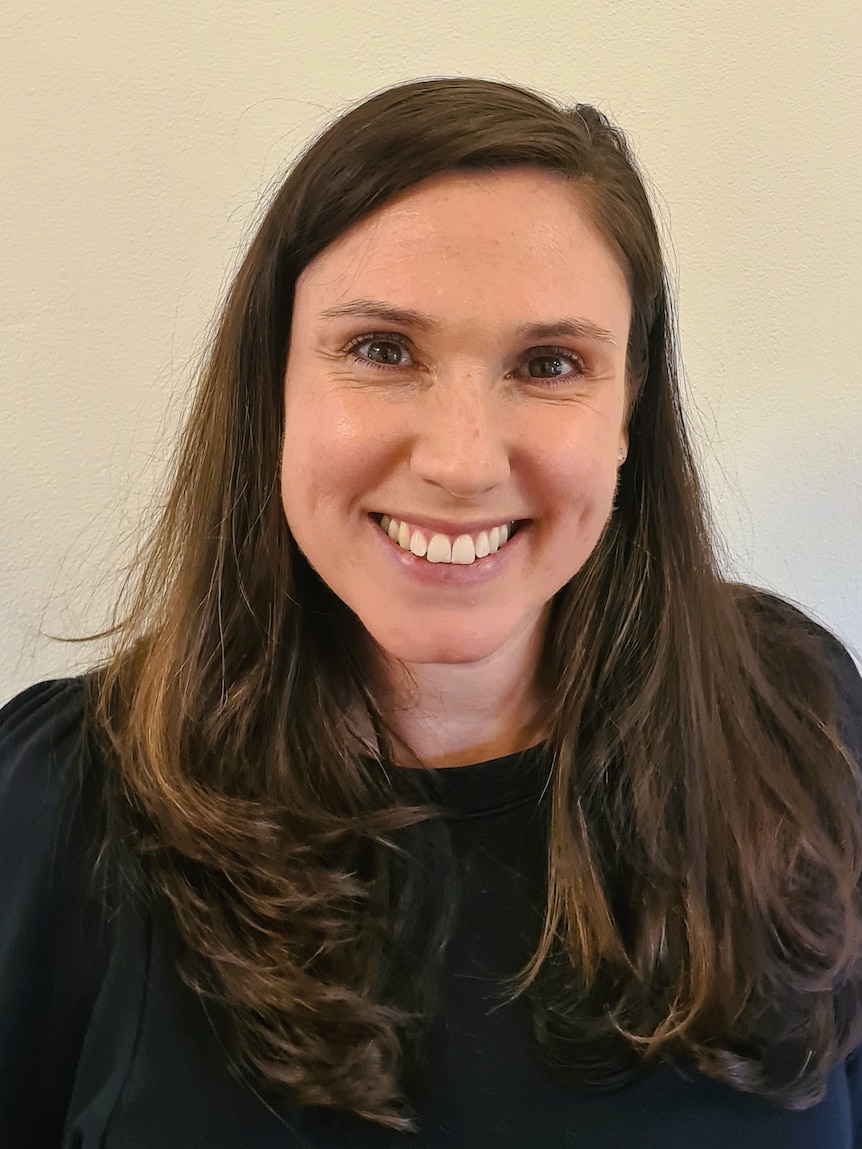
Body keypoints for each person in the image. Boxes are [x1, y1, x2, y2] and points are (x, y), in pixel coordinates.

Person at [1, 77, 860, 1149]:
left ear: (628, 411)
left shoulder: (798, 717)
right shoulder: (59, 801)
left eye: (549, 365)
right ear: (272, 385)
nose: (460, 461)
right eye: (381, 351)